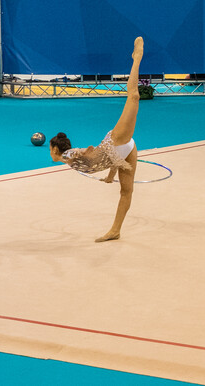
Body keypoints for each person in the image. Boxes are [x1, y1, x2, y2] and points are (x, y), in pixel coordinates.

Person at [49, 37, 145, 243]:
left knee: (134, 96)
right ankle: (115, 231)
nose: (50, 153)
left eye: (50, 150)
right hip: (123, 152)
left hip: (117, 141)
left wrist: (85, 151)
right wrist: (110, 175)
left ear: (56, 150)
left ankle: (136, 58)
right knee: (126, 191)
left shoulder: (68, 155)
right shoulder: (66, 158)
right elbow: (107, 159)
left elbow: (86, 152)